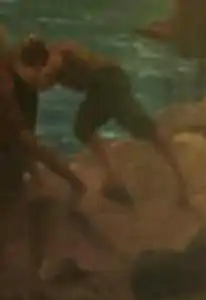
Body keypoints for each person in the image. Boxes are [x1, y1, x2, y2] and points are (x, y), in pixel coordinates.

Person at [13, 36, 189, 207]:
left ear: (38, 62)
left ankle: (181, 180)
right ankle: (113, 179)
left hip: (111, 82)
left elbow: (46, 75)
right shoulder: (52, 62)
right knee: (82, 128)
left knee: (145, 129)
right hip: (98, 89)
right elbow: (42, 83)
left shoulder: (56, 56)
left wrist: (24, 72)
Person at [0, 32, 84, 292]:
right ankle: (27, 282)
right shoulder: (13, 90)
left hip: (11, 153)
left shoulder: (17, 86)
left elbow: (23, 141)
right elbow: (27, 142)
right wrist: (71, 179)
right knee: (31, 208)